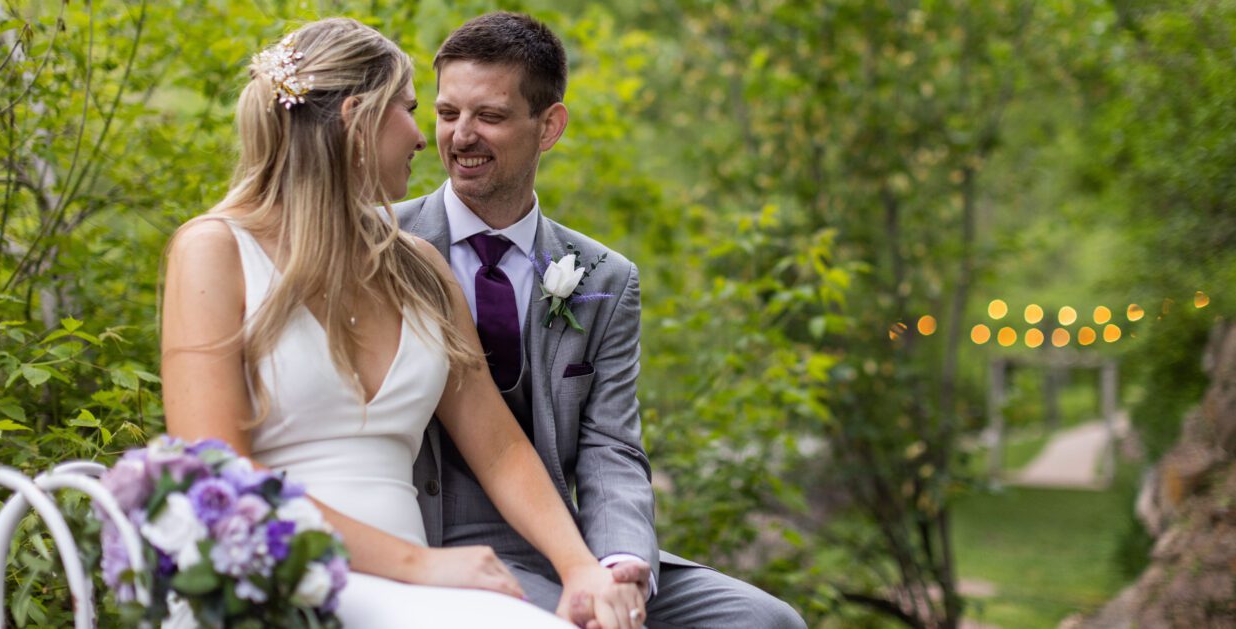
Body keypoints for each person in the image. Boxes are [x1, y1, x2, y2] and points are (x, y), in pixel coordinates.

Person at [160, 17, 644, 629]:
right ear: (358, 120)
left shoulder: (419, 266)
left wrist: (580, 570)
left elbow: (500, 449)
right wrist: (419, 565)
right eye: (412, 110)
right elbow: (217, 472)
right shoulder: (215, 249)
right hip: (278, 571)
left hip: (417, 592)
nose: (423, 138)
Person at [400, 12, 807, 629]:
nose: (460, 136)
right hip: (444, 541)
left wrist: (620, 562)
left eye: (490, 116)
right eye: (447, 113)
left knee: (764, 620)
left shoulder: (605, 277)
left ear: (549, 126)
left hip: (571, 542)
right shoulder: (384, 242)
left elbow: (610, 443)